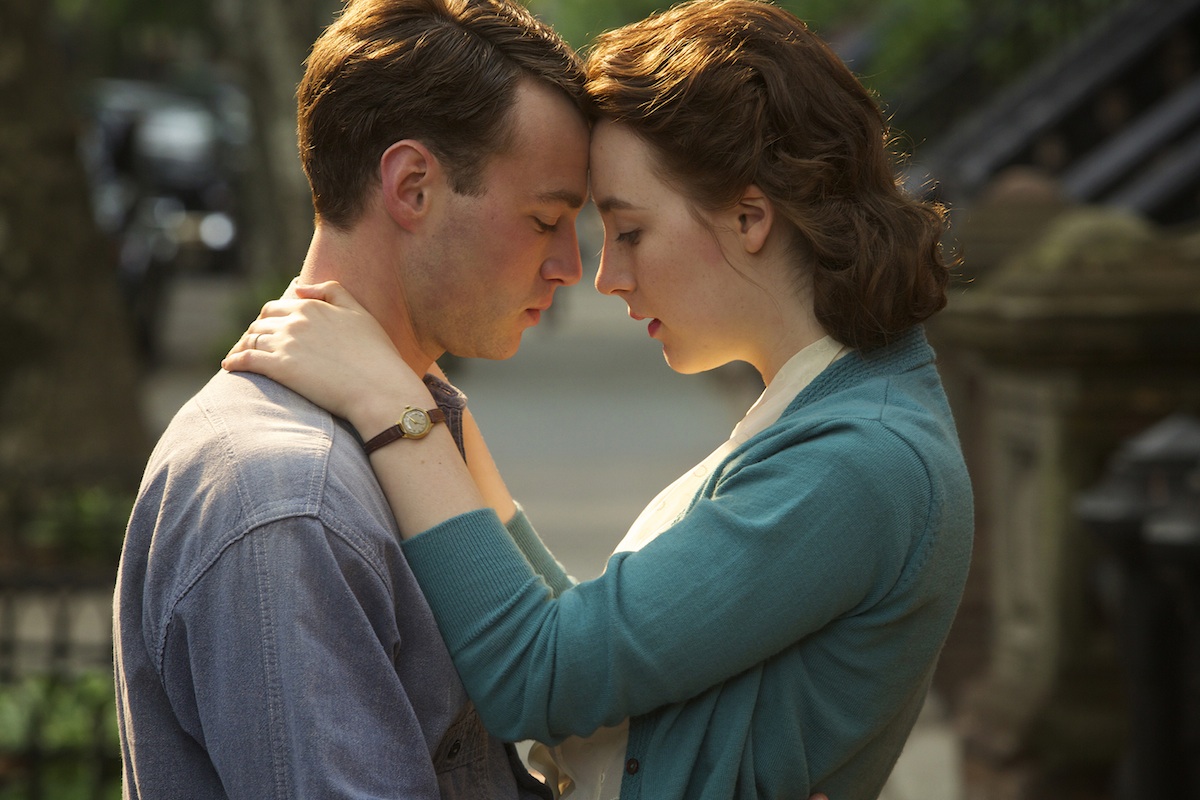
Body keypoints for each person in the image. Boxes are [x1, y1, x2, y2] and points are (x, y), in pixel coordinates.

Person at [224, 0, 973, 797]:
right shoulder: (834, 412)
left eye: (632, 232)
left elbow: (541, 675)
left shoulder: (859, 462)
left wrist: (389, 406)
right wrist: (433, 403)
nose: (605, 275)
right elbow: (591, 641)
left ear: (751, 215)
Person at [113, 0, 592, 796]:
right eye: (545, 220)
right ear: (411, 186)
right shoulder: (290, 499)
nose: (571, 266)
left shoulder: (404, 427)